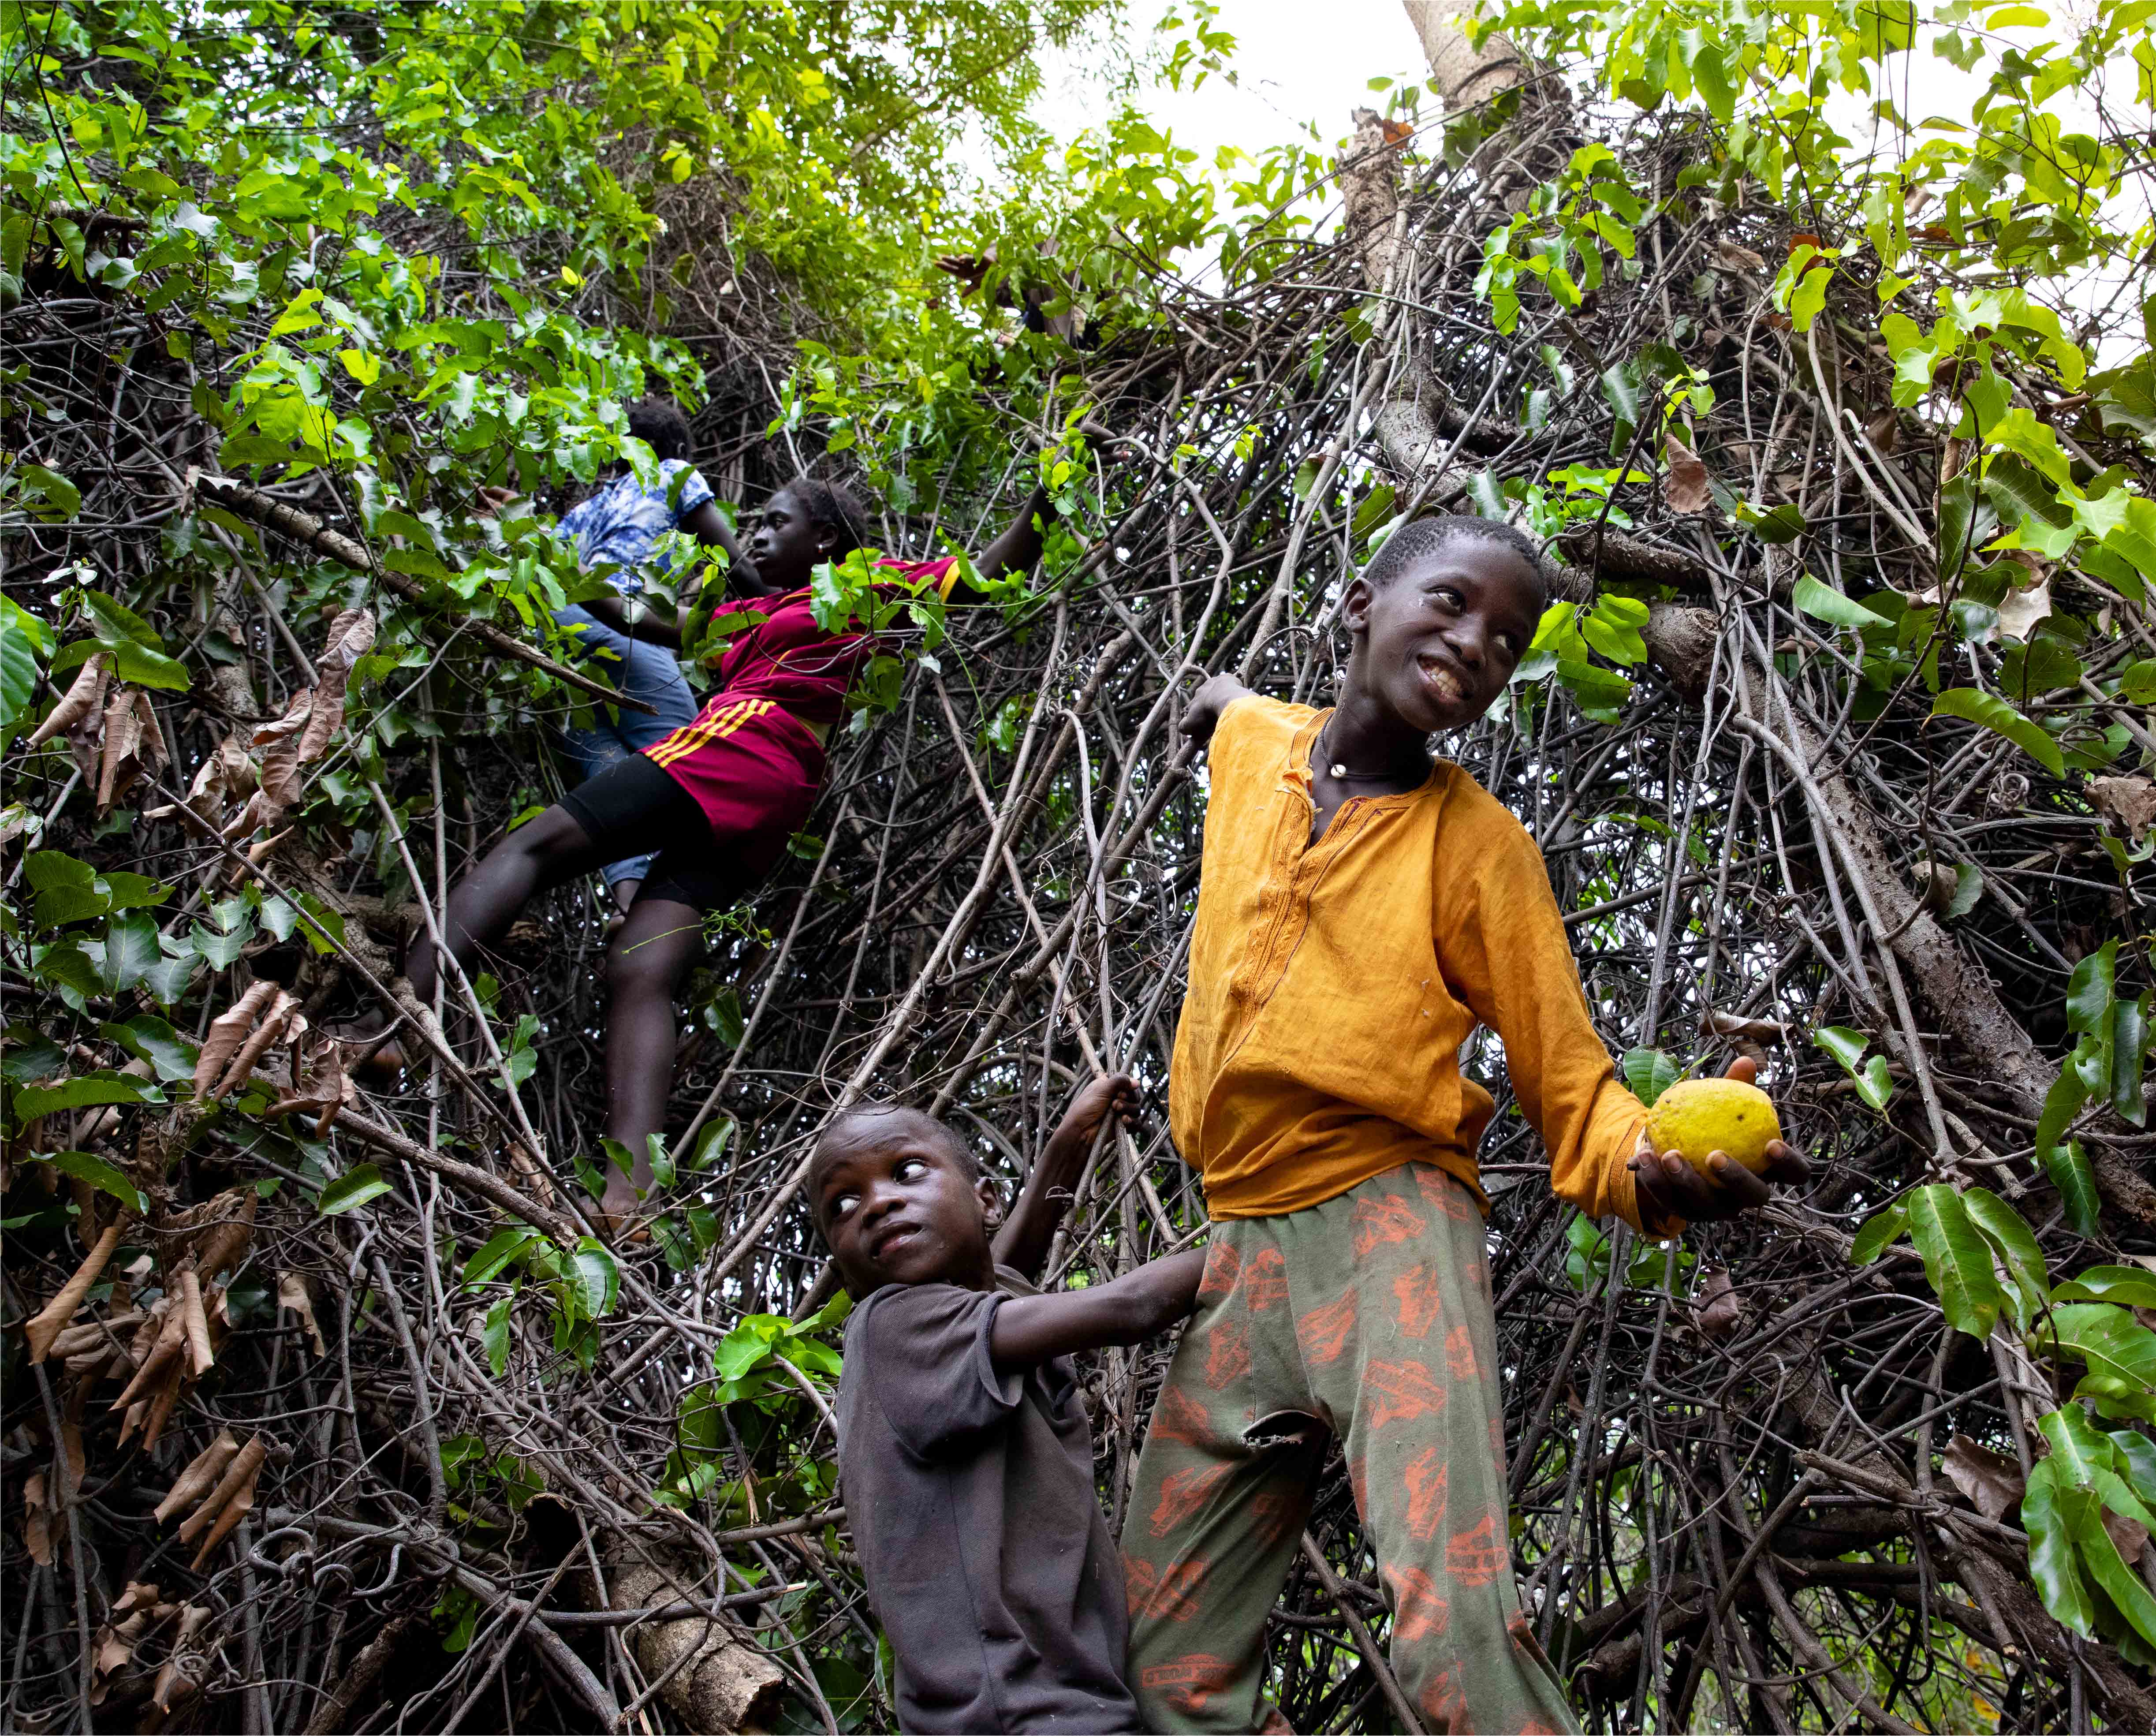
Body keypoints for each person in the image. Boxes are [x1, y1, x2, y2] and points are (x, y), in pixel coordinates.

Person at [1117, 515, 1812, 1734]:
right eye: (1448, 604)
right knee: (1161, 1656)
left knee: (1455, 1626)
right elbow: (1231, 707)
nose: (1473, 644)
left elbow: (1572, 1083)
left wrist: (1651, 1169)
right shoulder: (1258, 746)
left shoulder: (1480, 847)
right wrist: (1210, 698)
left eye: (1504, 640)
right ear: (1359, 605)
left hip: (1389, 1234)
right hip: (1237, 1249)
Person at [375, 473, 1057, 1222]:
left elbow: (982, 578)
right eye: (755, 525)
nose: (755, 536)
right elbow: (637, 616)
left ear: (825, 538)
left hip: (742, 745)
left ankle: (394, 1023)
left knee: (533, 848)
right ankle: (628, 1196)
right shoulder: (745, 613)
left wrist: (1046, 501)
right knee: (642, 963)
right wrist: (544, 549)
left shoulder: (862, 585)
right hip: (775, 796)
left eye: (774, 522)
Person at [809, 1075, 1205, 1733]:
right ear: (846, 1272)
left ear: (985, 1199)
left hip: (1041, 1706)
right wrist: (1275, 1229)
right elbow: (1132, 1305)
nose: (876, 1204)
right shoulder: (896, 1327)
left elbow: (1006, 1265)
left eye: (906, 1172)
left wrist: (1068, 1145)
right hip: (1019, 1712)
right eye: (843, 1205)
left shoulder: (975, 1310)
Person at [546, 397, 740, 915]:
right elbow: (733, 558)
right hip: (616, 623)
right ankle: (667, 910)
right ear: (674, 448)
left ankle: (629, 906)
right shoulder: (674, 472)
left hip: (557, 642)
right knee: (687, 754)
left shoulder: (584, 511)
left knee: (612, 772)